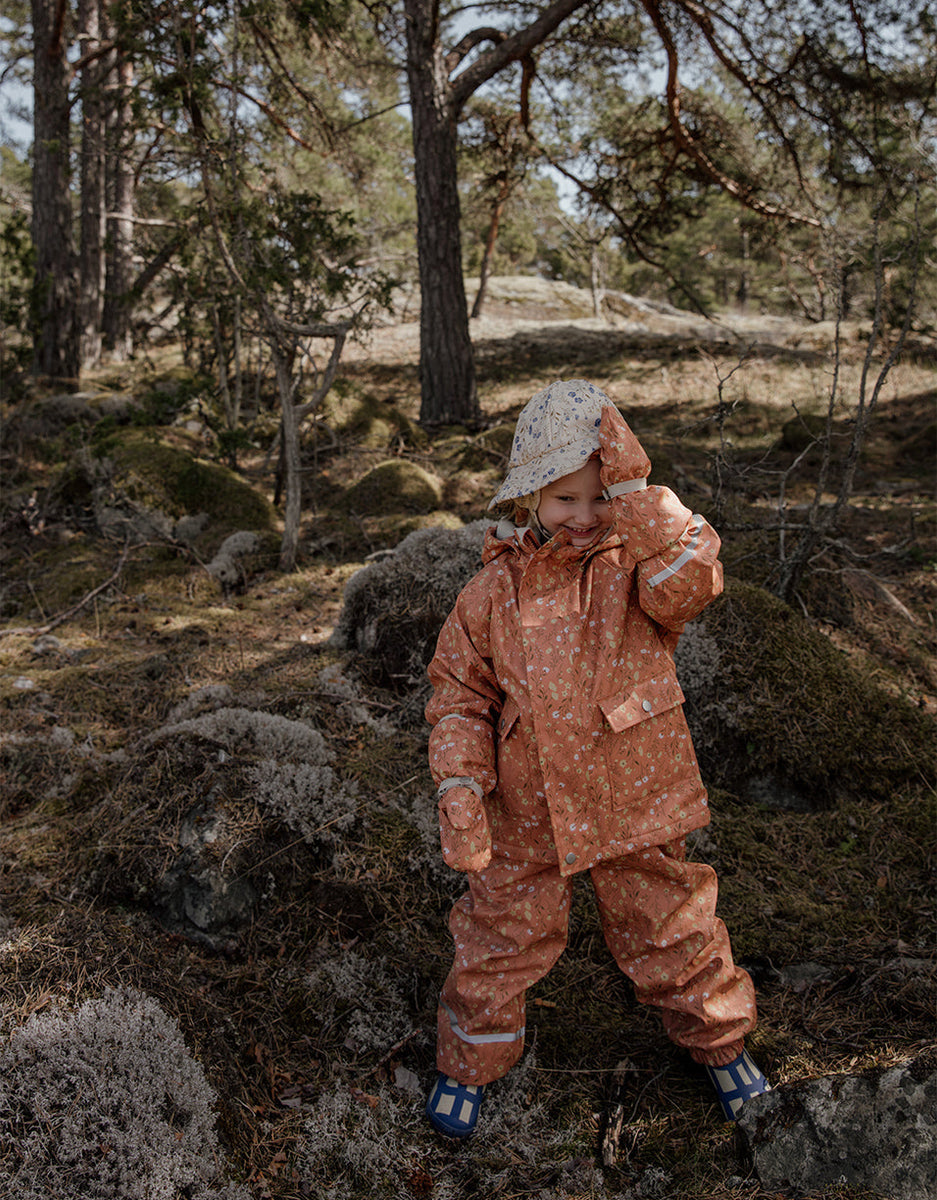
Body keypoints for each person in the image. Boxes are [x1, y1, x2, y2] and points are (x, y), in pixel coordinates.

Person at [423, 379, 769, 1138]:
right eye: (562, 500)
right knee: (497, 936)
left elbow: (695, 583)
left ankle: (718, 1042)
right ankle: (469, 1059)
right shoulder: (488, 593)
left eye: (597, 498)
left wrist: (639, 495)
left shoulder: (639, 568)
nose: (583, 518)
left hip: (633, 795)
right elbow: (457, 696)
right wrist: (459, 781)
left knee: (671, 923)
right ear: (528, 501)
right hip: (524, 809)